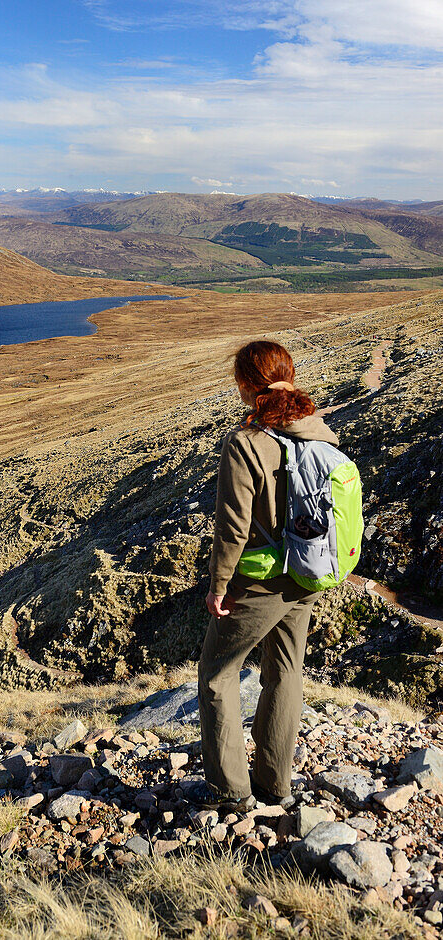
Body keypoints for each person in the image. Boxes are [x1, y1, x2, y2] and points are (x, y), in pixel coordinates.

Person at [192, 339, 339, 811]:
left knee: (217, 674)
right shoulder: (320, 433)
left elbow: (233, 526)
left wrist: (218, 586)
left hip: (259, 581)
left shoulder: (246, 442)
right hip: (309, 572)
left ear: (244, 384)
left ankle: (230, 791)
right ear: (288, 376)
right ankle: (276, 784)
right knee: (286, 672)